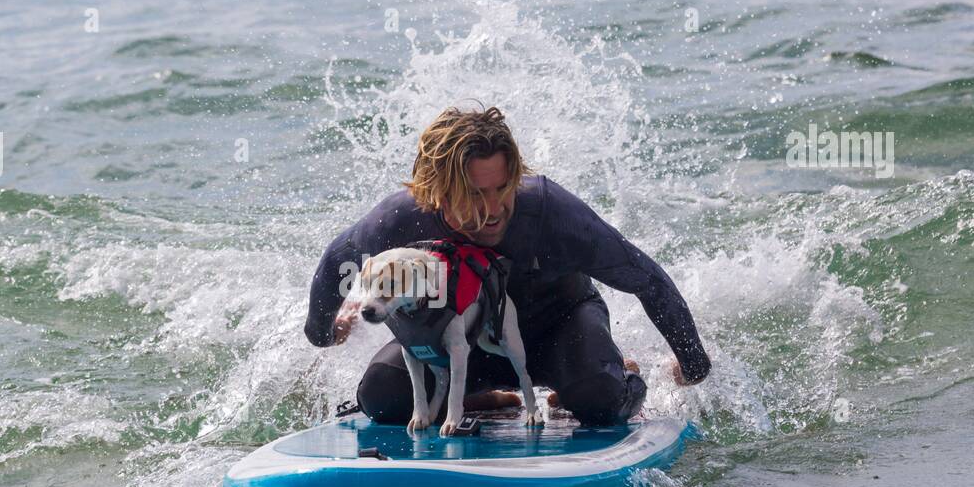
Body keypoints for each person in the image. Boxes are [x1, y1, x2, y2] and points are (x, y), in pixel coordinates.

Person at [304, 106, 710, 426]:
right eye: (476, 195)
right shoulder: (399, 222)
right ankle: (475, 396)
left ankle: (619, 371)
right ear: (436, 192)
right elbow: (335, 261)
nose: (495, 210)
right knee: (381, 396)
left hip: (556, 334)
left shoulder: (552, 214)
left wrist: (692, 367)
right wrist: (324, 333)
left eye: (504, 187)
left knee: (598, 398)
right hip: (452, 347)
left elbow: (647, 279)